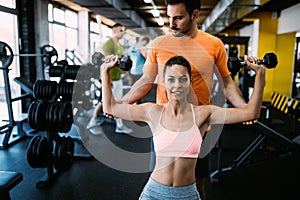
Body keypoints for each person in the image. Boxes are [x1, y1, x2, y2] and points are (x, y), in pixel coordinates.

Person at [118, 1, 252, 199]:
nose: (171, 24)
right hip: (165, 124)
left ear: (195, 15)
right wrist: (122, 104)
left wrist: (244, 108)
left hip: (197, 126)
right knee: (163, 178)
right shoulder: (159, 44)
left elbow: (227, 83)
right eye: (169, 17)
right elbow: (147, 79)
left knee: (198, 185)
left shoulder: (213, 44)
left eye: (178, 18)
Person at [102, 55, 266, 200]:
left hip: (187, 194)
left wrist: (260, 75)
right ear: (164, 82)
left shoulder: (203, 114)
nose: (177, 85)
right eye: (171, 79)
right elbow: (110, 108)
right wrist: (105, 72)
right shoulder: (153, 111)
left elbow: (250, 113)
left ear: (190, 81)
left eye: (182, 79)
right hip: (153, 193)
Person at [86, 23, 133, 135]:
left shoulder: (119, 45)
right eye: (121, 30)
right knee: (106, 101)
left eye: (123, 30)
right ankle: (99, 122)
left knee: (113, 101)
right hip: (111, 78)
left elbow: (121, 62)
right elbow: (105, 60)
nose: (123, 32)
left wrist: (128, 76)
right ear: (114, 31)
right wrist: (108, 79)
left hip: (118, 78)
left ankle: (116, 124)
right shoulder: (109, 43)